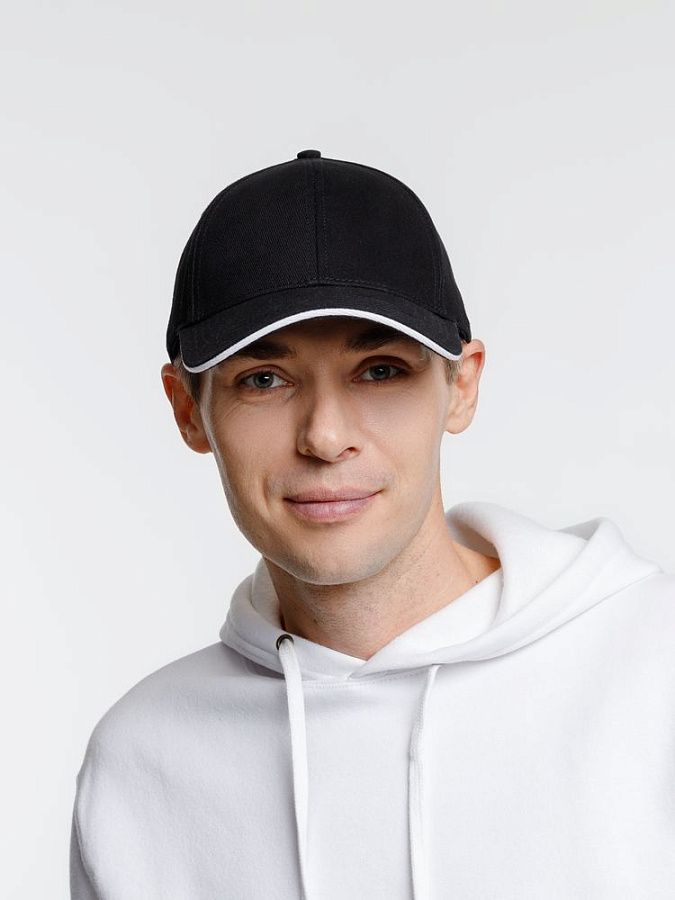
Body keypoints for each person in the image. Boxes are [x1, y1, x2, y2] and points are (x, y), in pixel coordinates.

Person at [70, 150, 675, 900]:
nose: (325, 437)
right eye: (264, 379)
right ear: (187, 410)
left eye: (381, 369)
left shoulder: (653, 671)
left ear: (462, 386)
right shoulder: (141, 761)